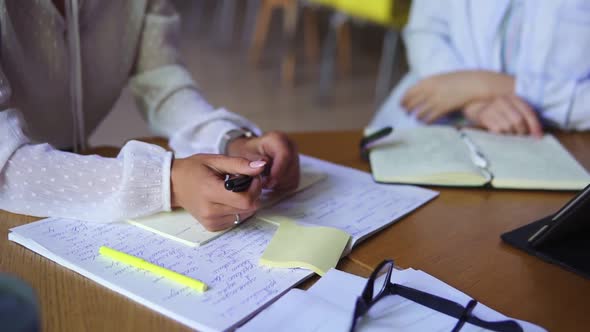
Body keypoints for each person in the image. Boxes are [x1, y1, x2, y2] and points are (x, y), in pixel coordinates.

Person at [0, 0, 299, 232]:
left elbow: (159, 78)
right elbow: (7, 166)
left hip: (74, 188)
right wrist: (165, 182)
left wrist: (227, 139)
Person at [370, 0, 590, 136]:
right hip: (435, 116)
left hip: (555, 139)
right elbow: (424, 31)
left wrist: (491, 85)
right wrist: (475, 104)